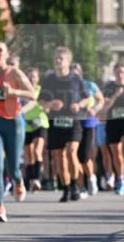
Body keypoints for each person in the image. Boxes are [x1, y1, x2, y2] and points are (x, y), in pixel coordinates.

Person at [0, 41, 36, 222]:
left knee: (13, 167)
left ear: (7, 54)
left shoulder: (14, 73)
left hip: (14, 123)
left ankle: (18, 180)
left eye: (0, 50)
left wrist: (14, 91)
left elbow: (32, 94)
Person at [39, 46, 92, 203]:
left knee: (71, 152)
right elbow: (40, 102)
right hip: (55, 122)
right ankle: (66, 188)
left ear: (68, 61)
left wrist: (79, 105)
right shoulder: (49, 80)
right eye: (56, 58)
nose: (58, 61)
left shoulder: (76, 79)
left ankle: (75, 185)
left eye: (61, 58)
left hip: (73, 121)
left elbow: (87, 98)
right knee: (59, 157)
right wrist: (50, 104)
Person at [102, 63, 124, 195]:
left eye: (122, 72)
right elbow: (105, 107)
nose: (120, 75)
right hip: (113, 122)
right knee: (116, 153)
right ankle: (121, 180)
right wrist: (115, 95)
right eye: (117, 72)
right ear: (114, 73)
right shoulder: (109, 87)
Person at [72, 63, 104, 197]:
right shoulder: (66, 87)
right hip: (73, 124)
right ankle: (81, 186)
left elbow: (100, 100)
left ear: (80, 74)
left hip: (88, 123)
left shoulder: (89, 85)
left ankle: (91, 178)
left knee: (84, 156)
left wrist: (95, 109)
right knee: (73, 156)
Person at [21, 66, 48, 191]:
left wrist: (47, 107)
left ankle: (37, 178)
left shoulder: (42, 91)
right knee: (29, 155)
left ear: (38, 78)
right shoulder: (22, 91)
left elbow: (46, 104)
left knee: (37, 151)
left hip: (40, 122)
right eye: (29, 76)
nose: (31, 79)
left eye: (34, 76)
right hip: (27, 124)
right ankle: (31, 179)